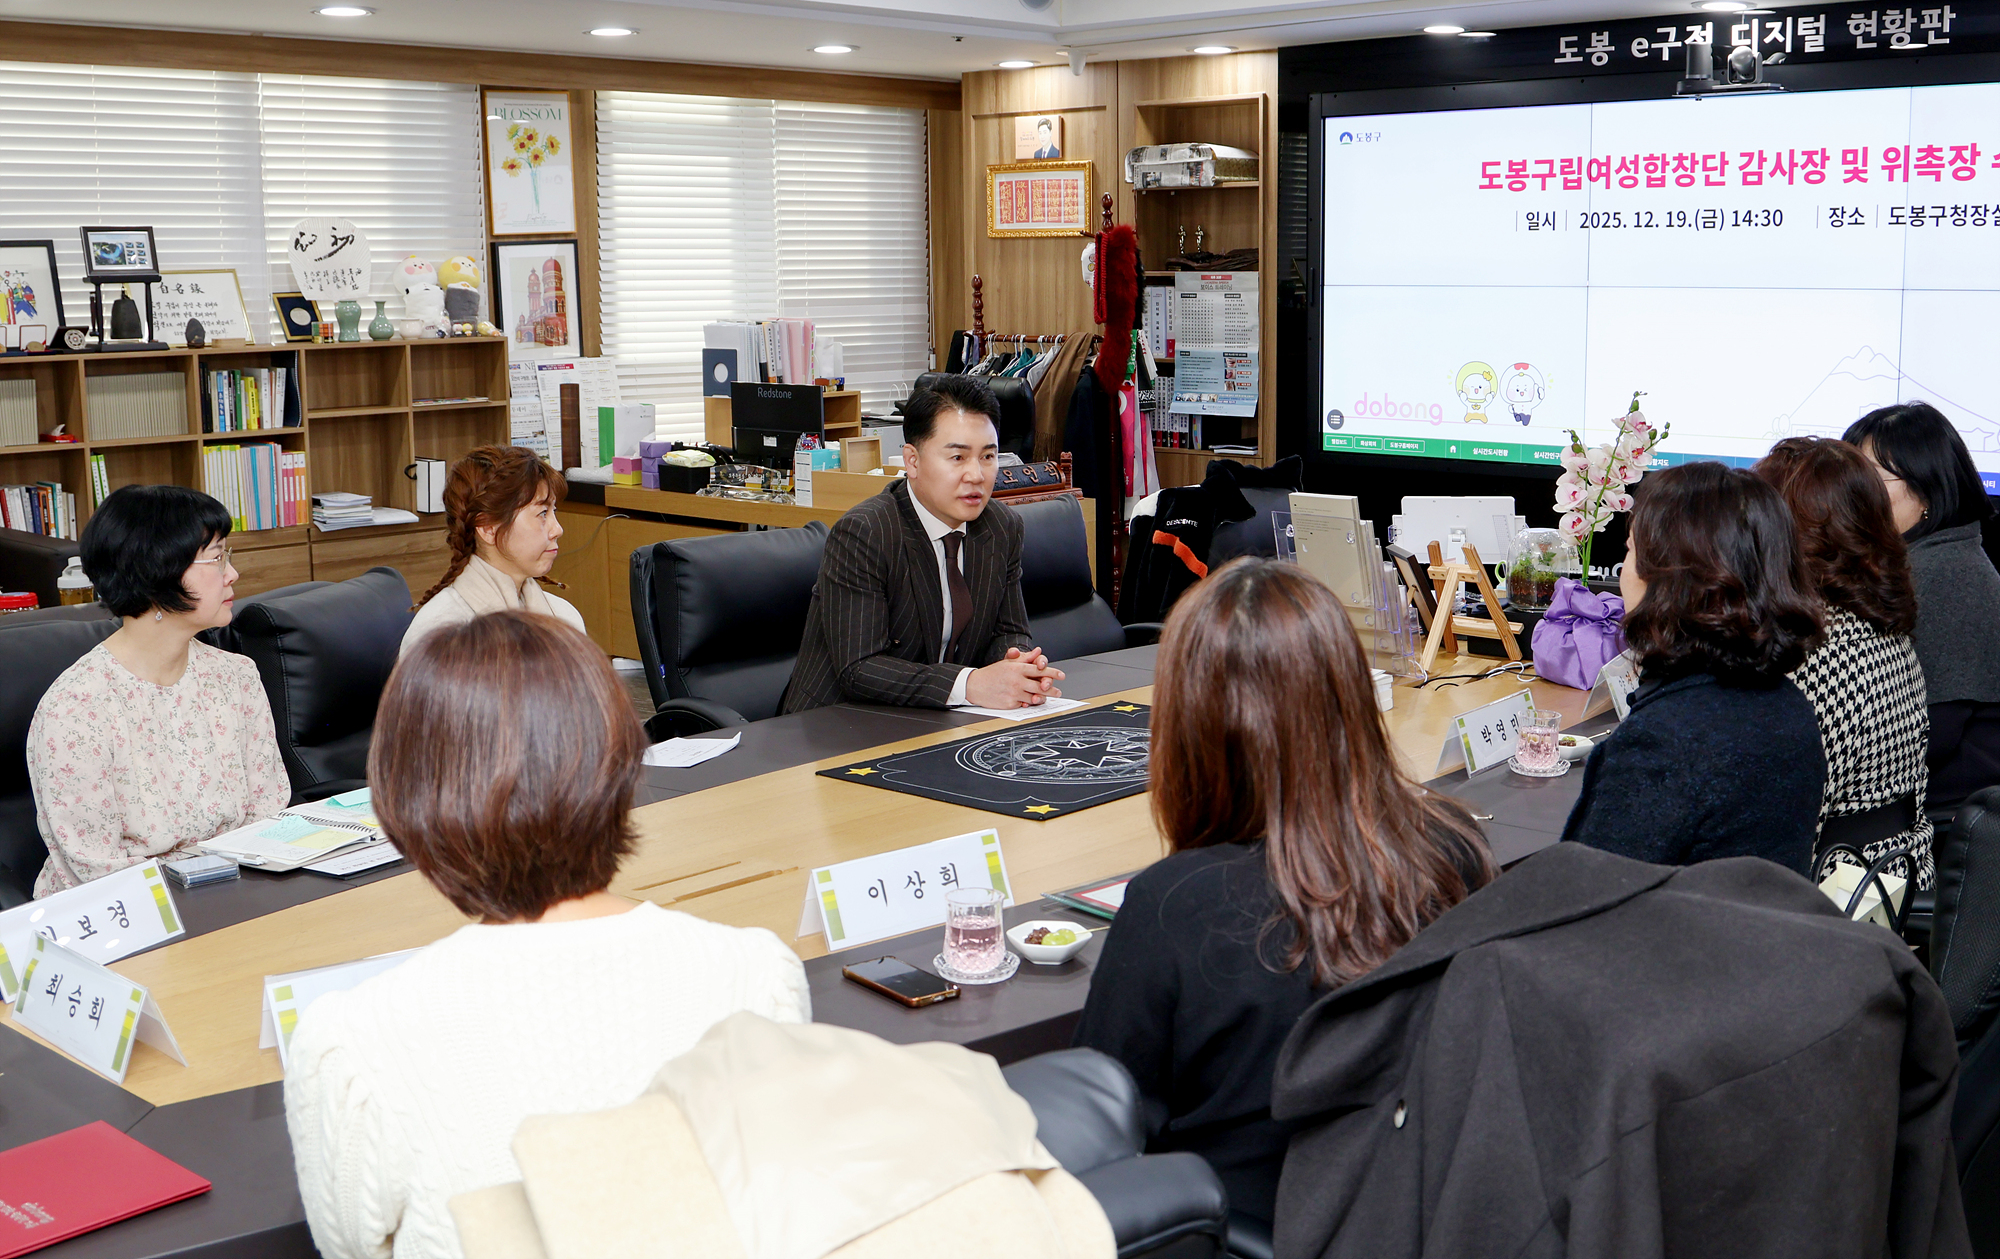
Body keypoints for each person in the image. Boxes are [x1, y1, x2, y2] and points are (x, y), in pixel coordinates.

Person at [285, 612, 809, 1259]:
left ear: (405, 797)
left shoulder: (351, 1044)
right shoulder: (759, 975)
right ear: (620, 759)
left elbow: (350, 1248)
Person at [1072, 559, 1493, 1225]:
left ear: (1189, 725)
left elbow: (1093, 1124)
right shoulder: (1451, 848)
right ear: (1348, 696)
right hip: (1411, 1219)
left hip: (1240, 1229)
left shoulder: (1174, 904)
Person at [1563, 462, 1827, 874]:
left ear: (1670, 578)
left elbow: (1581, 898)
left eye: (1631, 550)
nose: (1622, 572)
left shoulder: (1665, 742)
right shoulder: (1791, 708)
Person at [27, 485, 286, 896]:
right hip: (122, 917)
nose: (232, 573)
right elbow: (95, 870)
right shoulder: (76, 708)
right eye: (218, 558)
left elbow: (267, 814)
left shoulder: (236, 676)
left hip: (233, 896)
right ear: (159, 572)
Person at [782, 375, 1064, 712]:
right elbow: (859, 668)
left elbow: (1009, 630)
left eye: (988, 457)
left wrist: (1017, 668)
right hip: (839, 725)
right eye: (958, 458)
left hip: (938, 718)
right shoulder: (865, 533)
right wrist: (970, 684)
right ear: (912, 461)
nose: (976, 474)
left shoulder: (1002, 527)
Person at [1752, 437, 1931, 886]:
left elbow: (1771, 832)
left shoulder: (1807, 654)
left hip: (1820, 903)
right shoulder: (1879, 630)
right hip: (1887, 886)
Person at [1844, 402, 2000, 810]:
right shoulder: (1923, 559)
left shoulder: (1946, 572)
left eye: (1869, 480)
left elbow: (1931, 735)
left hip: (1928, 817)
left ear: (1927, 488)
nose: (1852, 496)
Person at [401, 445, 583, 657]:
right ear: (487, 527)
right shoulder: (441, 634)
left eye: (554, 511)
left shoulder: (564, 618)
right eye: (542, 513)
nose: (557, 530)